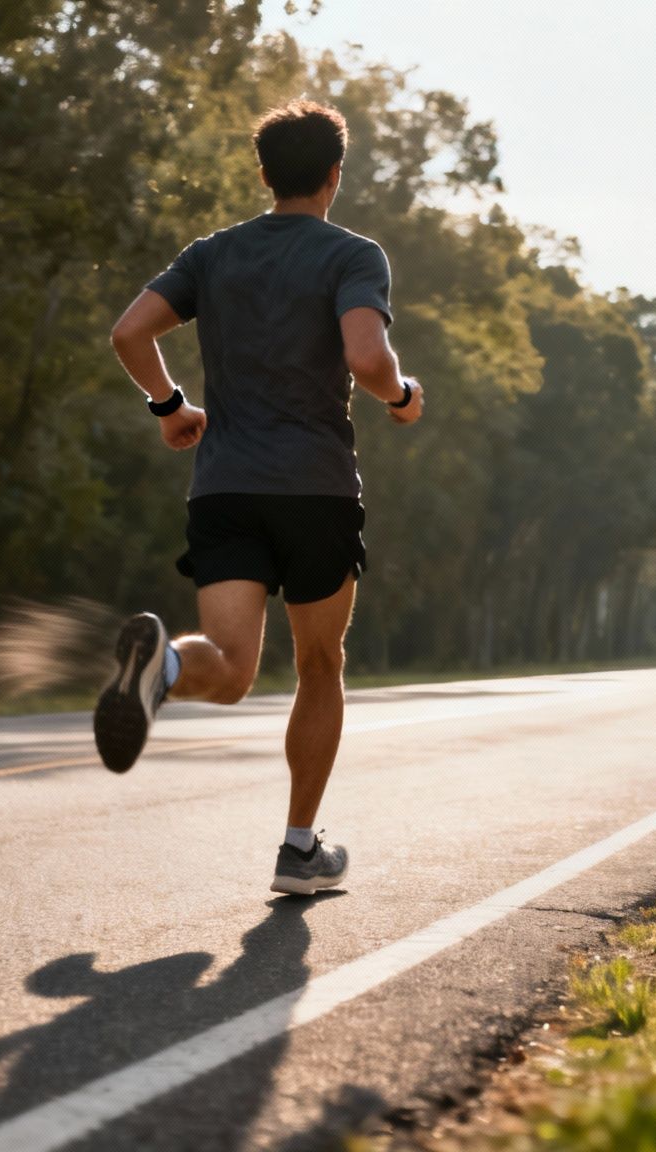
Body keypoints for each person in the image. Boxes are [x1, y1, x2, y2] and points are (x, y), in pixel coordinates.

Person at [95, 99, 423, 896]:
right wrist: (403, 394)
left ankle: (165, 665)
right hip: (314, 489)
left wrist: (173, 410)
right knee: (318, 662)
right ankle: (300, 848)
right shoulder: (353, 255)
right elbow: (366, 354)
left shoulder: (214, 254)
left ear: (264, 174)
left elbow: (130, 333)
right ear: (334, 176)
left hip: (226, 486)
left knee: (233, 667)